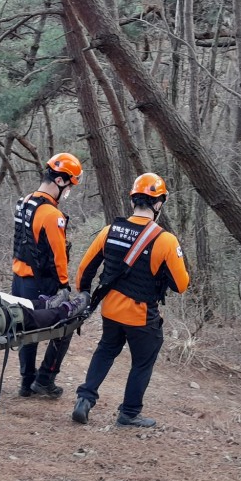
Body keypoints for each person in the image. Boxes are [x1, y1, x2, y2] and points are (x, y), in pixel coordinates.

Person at [71, 173, 190, 427]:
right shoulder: (166, 240)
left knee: (105, 350)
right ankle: (129, 413)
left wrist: (83, 293)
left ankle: (84, 399)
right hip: (141, 316)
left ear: (134, 200)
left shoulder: (109, 231)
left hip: (110, 311)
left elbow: (84, 269)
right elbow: (181, 285)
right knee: (142, 361)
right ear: (158, 204)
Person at [11, 153, 82, 399]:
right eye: (70, 185)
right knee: (66, 325)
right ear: (61, 181)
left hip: (19, 280)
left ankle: (26, 382)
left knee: (25, 331)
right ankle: (45, 379)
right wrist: (64, 285)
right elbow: (58, 255)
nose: (69, 190)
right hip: (41, 282)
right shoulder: (53, 215)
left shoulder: (24, 201)